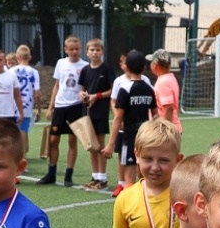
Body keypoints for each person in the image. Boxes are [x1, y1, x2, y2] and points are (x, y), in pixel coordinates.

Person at [108, 50, 157, 192]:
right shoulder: (149, 89)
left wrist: (110, 144)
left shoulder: (125, 89)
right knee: (143, 174)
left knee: (129, 179)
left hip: (129, 138)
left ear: (127, 67)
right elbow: (155, 116)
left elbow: (118, 118)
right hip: (145, 137)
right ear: (144, 68)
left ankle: (129, 201)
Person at [40, 35, 84, 187]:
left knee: (72, 140)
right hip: (60, 106)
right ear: (65, 50)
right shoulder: (61, 63)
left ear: (80, 49)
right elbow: (57, 85)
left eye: (77, 49)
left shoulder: (84, 66)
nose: (74, 52)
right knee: (53, 140)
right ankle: (51, 173)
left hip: (76, 106)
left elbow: (85, 87)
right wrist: (50, 107)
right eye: (71, 49)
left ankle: (68, 176)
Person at [77, 38, 118, 191]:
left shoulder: (106, 68)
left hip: (100, 111)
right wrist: (82, 95)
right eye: (92, 50)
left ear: (102, 52)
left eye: (98, 50)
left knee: (100, 145)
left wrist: (97, 96)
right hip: (87, 110)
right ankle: (95, 176)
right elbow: (81, 88)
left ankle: (103, 178)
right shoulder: (85, 70)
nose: (95, 53)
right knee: (91, 146)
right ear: (87, 52)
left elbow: (113, 90)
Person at [12, 44, 42, 156]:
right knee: (23, 130)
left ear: (17, 57)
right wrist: (39, 110)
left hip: (13, 105)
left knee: (12, 131)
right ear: (30, 57)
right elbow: (37, 93)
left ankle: (12, 156)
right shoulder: (34, 72)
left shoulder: (12, 71)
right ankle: (22, 157)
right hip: (27, 105)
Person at [151, 49, 182, 136]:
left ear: (155, 65)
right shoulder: (170, 78)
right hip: (171, 127)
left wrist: (165, 131)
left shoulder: (163, 82)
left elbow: (169, 108)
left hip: (167, 130)